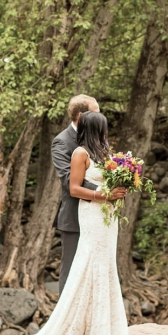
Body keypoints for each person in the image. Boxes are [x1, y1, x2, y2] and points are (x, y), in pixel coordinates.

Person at [0, 110, 129, 335]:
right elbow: (74, 188)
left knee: (106, 263)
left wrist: (121, 186)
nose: (107, 132)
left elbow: (109, 180)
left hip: (108, 217)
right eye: (104, 128)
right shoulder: (80, 153)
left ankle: (102, 326)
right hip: (92, 212)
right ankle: (79, 325)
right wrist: (104, 196)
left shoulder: (105, 153)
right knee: (89, 262)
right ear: (95, 129)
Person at [51, 95, 126, 290]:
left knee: (99, 268)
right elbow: (69, 181)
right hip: (76, 215)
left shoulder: (101, 141)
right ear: (83, 115)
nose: (100, 115)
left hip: (101, 216)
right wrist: (104, 192)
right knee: (72, 270)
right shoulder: (62, 142)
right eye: (96, 111)